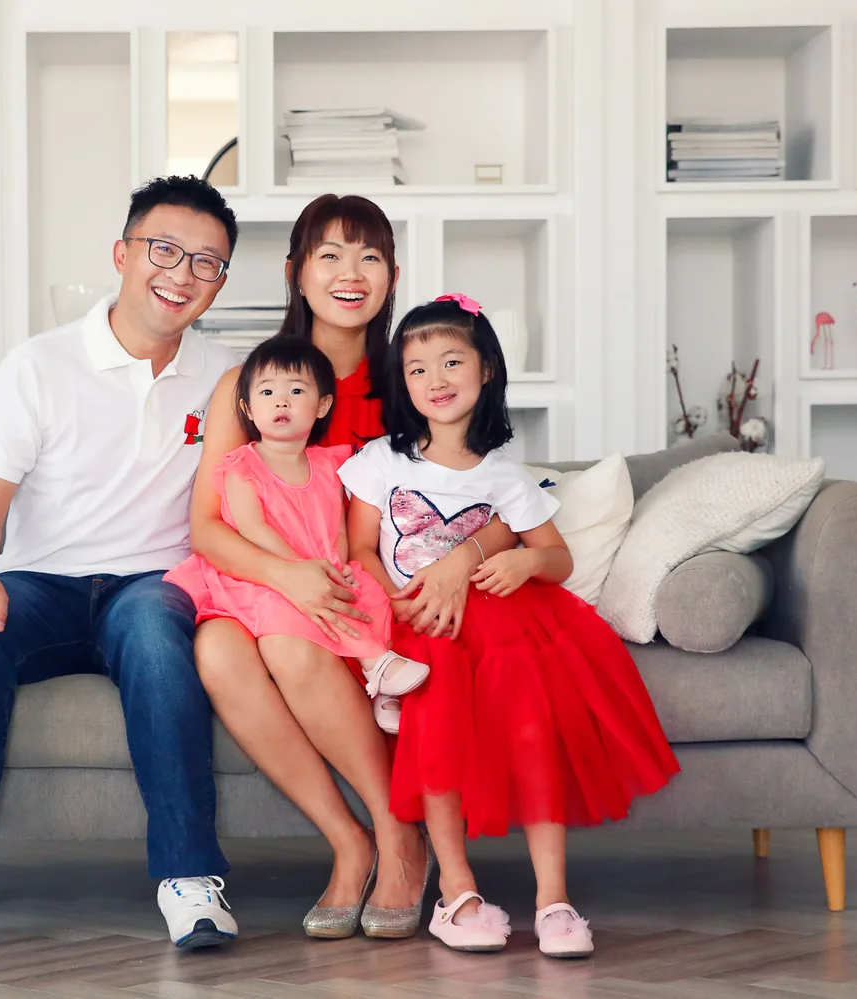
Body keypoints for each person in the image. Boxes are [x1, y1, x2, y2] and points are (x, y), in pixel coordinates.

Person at [0, 176, 243, 958]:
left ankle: (189, 882)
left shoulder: (227, 377)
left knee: (155, 637)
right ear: (122, 253)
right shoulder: (37, 366)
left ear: (219, 283)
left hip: (153, 582)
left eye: (206, 263)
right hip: (39, 582)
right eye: (164, 250)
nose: (181, 274)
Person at [187, 195, 517, 940]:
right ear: (295, 273)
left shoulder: (414, 379)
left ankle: (401, 834)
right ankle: (351, 838)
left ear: (393, 275)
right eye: (329, 255)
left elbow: (492, 493)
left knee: (290, 645)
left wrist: (462, 562)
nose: (350, 273)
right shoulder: (251, 383)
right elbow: (207, 524)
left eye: (369, 256)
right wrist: (289, 576)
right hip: (268, 574)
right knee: (215, 646)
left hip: (370, 583)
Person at [340, 294, 681, 957]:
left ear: (487, 369)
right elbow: (356, 550)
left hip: (503, 623)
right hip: (418, 623)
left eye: (451, 361)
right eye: (417, 369)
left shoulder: (504, 474)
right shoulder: (381, 462)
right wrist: (397, 598)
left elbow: (558, 557)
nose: (436, 380)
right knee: (434, 721)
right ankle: (456, 889)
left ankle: (553, 898)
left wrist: (523, 558)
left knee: (532, 722)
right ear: (399, 382)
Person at [164, 337, 431, 740]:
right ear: (248, 409)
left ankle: (380, 686)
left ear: (322, 405)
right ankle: (376, 663)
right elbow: (254, 530)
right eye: (268, 393)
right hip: (266, 572)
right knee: (299, 606)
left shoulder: (330, 463)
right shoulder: (242, 465)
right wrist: (298, 567)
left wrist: (339, 567)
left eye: (296, 391)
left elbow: (338, 527)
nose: (281, 402)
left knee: (367, 594)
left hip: (322, 564)